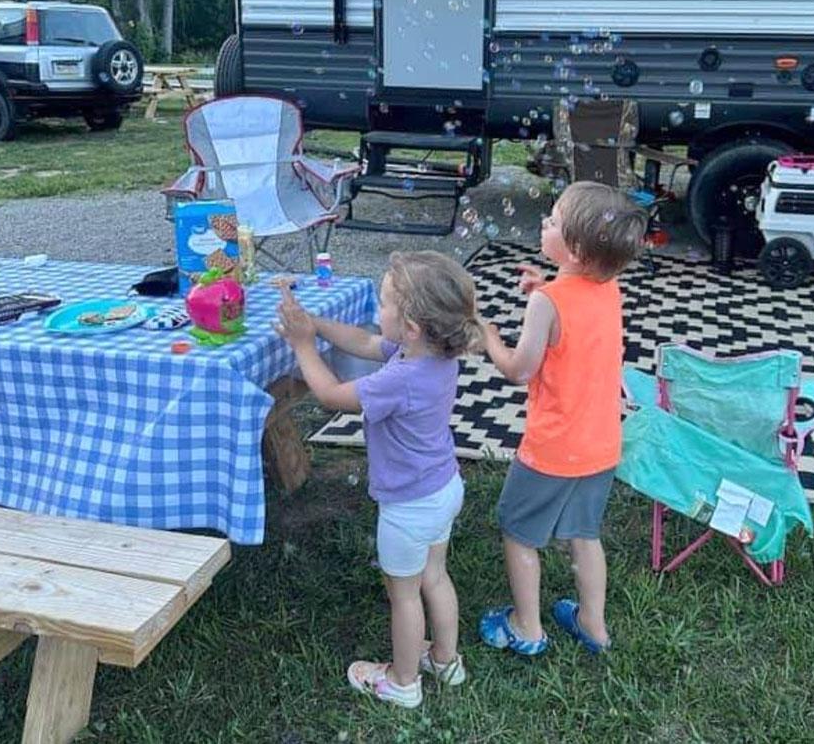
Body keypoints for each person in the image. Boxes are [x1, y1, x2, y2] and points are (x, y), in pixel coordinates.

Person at [274, 251, 483, 707]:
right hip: (443, 488)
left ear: (410, 326)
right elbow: (367, 343)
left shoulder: (402, 378)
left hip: (408, 506)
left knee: (404, 596)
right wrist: (315, 324)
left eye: (384, 304)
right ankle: (446, 660)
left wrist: (303, 346)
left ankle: (403, 683)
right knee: (435, 575)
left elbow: (330, 395)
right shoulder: (433, 356)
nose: (376, 312)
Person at [478, 181, 648, 656]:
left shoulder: (547, 303)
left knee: (518, 533)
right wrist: (545, 286)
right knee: (583, 534)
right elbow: (576, 320)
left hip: (552, 449)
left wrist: (489, 336)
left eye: (551, 219)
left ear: (573, 248)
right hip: (600, 444)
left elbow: (517, 370)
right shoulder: (608, 287)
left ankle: (526, 628)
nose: (543, 224)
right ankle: (594, 625)